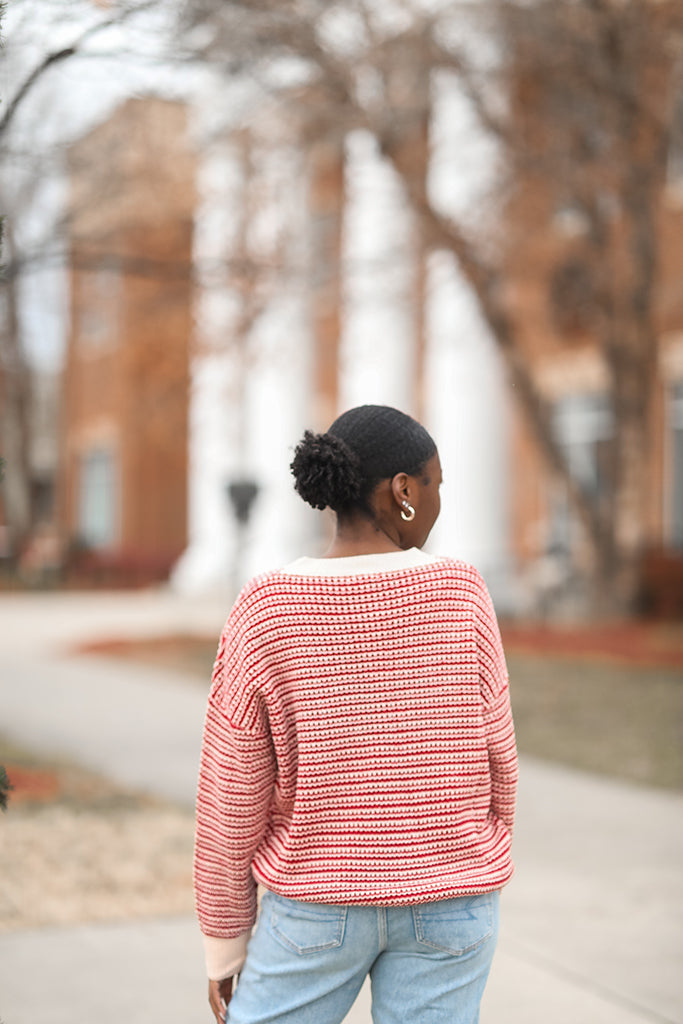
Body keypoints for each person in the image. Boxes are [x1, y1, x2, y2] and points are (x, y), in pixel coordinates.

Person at [194, 404, 518, 1024]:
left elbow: (231, 793)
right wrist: (481, 851)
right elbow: (499, 758)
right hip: (453, 898)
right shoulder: (462, 592)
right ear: (403, 490)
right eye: (436, 486)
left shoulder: (267, 606)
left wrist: (224, 945)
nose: (439, 502)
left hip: (316, 904)